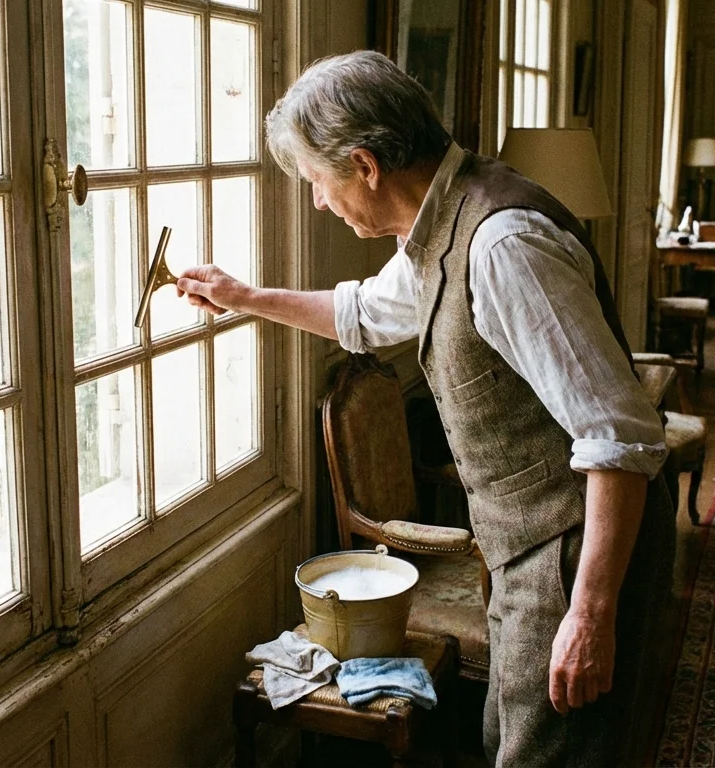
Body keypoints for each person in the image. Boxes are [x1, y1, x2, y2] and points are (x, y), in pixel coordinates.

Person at [177, 50, 675, 767]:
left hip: (576, 548)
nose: (320, 200)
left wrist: (590, 614)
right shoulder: (444, 222)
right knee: (513, 739)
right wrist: (245, 297)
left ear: (365, 165)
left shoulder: (504, 247)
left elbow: (620, 441)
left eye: (320, 182)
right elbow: (363, 315)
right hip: (528, 544)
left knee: (555, 753)